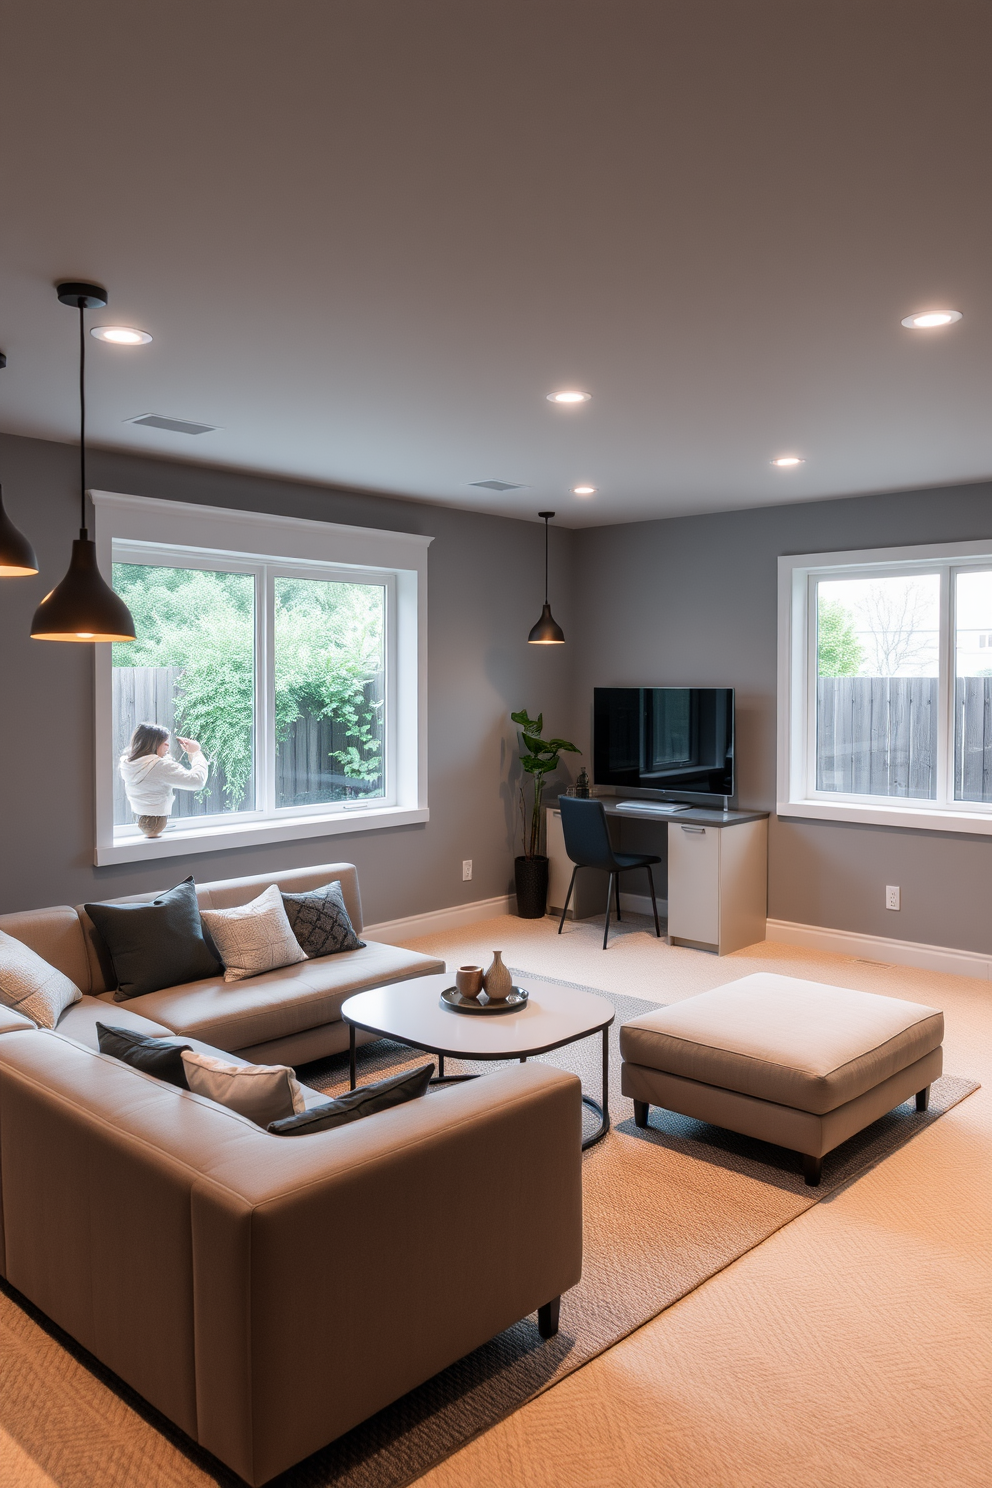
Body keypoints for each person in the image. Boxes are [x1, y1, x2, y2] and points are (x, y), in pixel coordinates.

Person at [119, 722, 210, 838]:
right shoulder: (160, 766)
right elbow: (197, 782)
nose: (168, 747)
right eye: (165, 743)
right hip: (157, 821)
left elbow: (154, 774)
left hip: (139, 816)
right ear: (153, 744)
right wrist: (196, 753)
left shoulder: (130, 765)